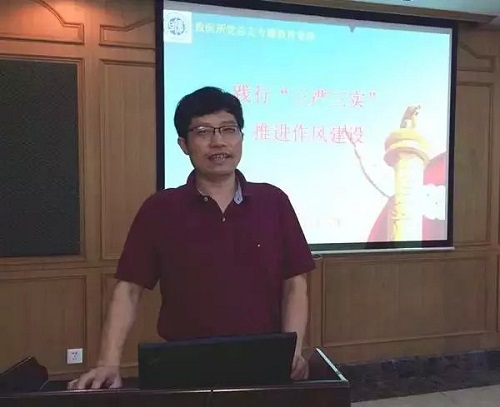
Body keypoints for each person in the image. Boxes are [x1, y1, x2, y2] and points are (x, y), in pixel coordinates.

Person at [68, 86, 315, 390]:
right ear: (183, 145)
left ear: (241, 137)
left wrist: (293, 350)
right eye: (203, 132)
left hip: (264, 359)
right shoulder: (160, 208)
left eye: (228, 129)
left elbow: (294, 284)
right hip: (185, 362)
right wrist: (108, 362)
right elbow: (129, 289)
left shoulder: (273, 201)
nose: (218, 142)